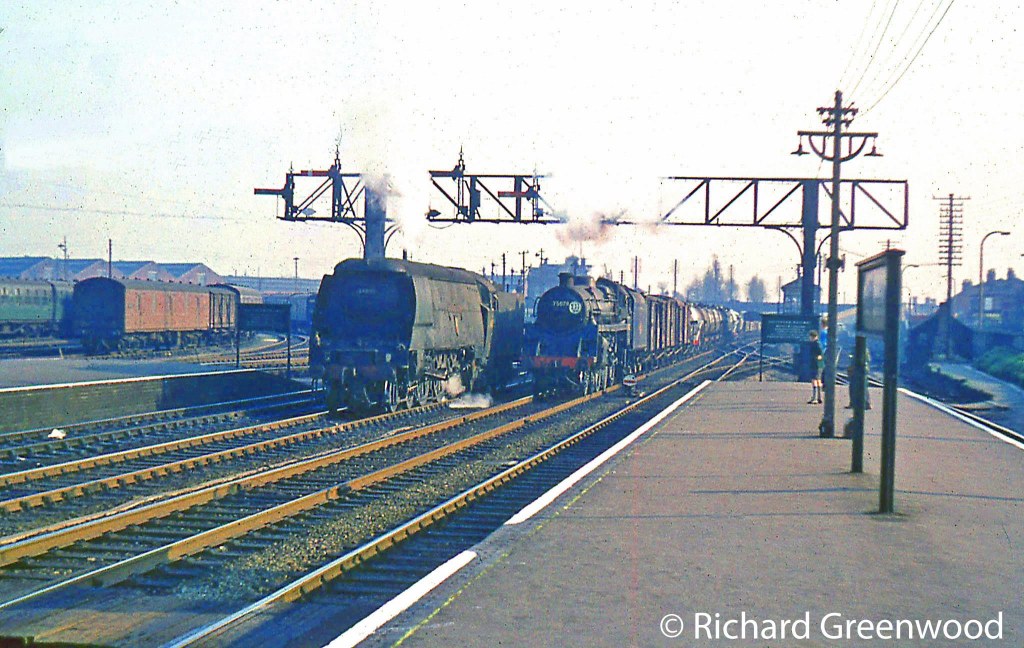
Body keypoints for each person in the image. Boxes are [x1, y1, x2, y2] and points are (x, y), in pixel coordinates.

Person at [807, 330, 823, 405]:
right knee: (818, 380)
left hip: (815, 364)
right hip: (819, 365)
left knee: (814, 380)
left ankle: (815, 397)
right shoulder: (818, 344)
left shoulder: (815, 344)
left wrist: (816, 359)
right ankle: (819, 397)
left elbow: (820, 354)